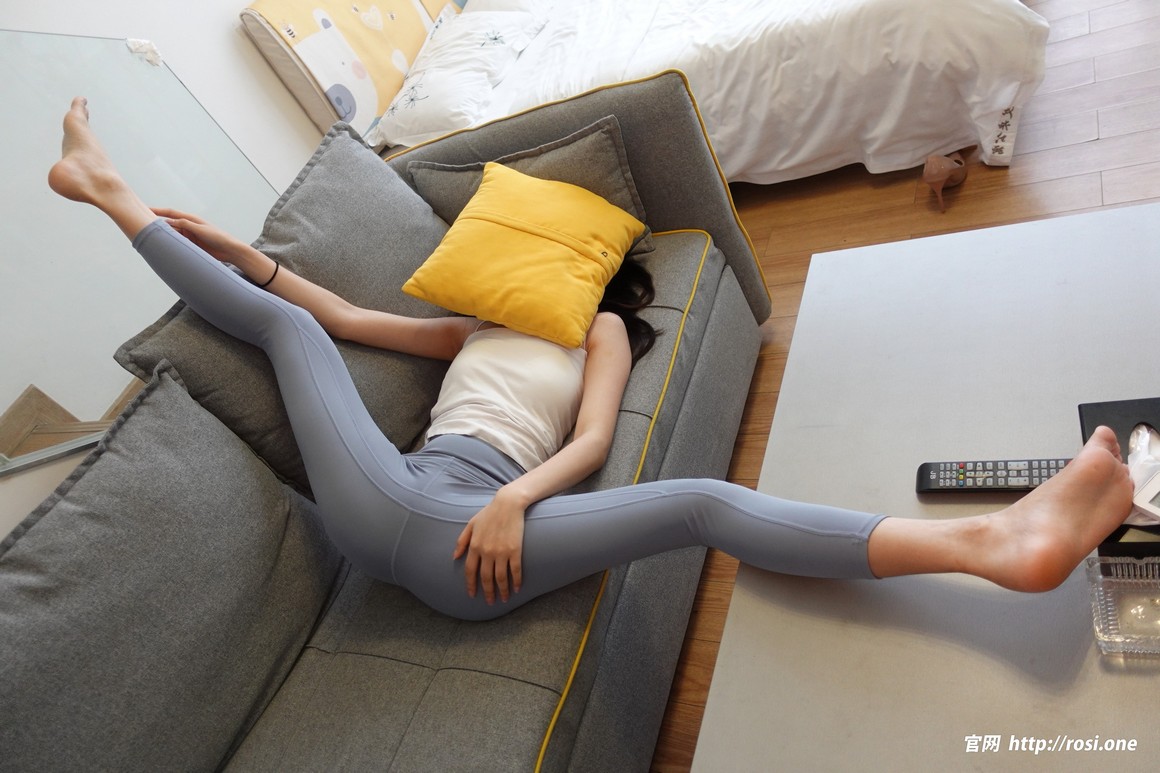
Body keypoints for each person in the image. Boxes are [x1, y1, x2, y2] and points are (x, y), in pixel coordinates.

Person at [49, 97, 1135, 622]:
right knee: (289, 325)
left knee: (702, 503)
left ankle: (991, 544)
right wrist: (246, 255)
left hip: (480, 532)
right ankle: (110, 195)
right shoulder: (470, 328)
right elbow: (331, 315)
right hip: (395, 497)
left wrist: (513, 499)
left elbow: (594, 440)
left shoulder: (598, 331)